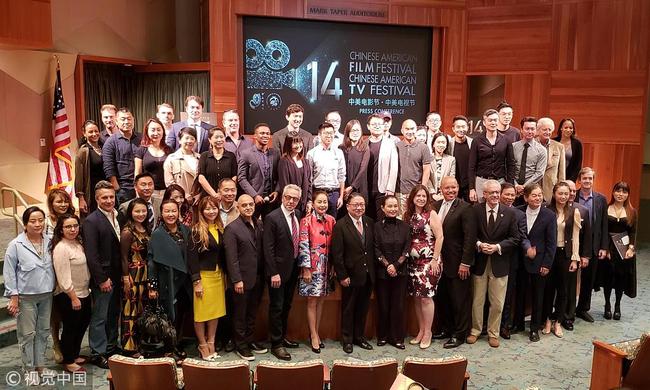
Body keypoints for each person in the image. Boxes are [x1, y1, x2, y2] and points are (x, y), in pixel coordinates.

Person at [3, 207, 56, 380]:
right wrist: (14, 297)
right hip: (26, 297)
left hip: (46, 294)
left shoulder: (50, 241)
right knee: (27, 335)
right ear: (25, 224)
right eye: (33, 221)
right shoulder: (16, 245)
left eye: (41, 220)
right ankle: (29, 370)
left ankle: (41, 367)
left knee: (43, 332)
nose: (37, 224)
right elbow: (9, 273)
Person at [467, 180, 519, 348]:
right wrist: (479, 245)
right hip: (480, 263)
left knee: (497, 302)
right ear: (485, 194)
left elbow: (515, 238)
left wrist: (497, 247)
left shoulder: (510, 213)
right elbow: (469, 235)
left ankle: (493, 333)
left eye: (497, 192)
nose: (496, 195)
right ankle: (475, 331)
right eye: (492, 192)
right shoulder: (475, 211)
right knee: (477, 300)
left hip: (500, 263)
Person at [433, 177, 476, 349]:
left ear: (458, 188)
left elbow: (470, 238)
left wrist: (465, 263)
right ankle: (446, 329)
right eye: (447, 188)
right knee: (444, 299)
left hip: (458, 263)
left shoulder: (466, 208)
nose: (450, 191)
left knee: (460, 301)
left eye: (454, 187)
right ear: (441, 189)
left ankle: (459, 334)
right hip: (441, 264)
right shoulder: (435, 206)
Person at [83, 181, 121, 369]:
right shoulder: (91, 221)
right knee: (100, 316)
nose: (108, 200)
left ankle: (111, 347)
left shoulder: (118, 215)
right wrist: (101, 279)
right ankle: (97, 352)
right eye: (104, 197)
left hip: (119, 275)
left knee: (114, 313)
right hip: (104, 278)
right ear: (97, 199)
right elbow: (92, 254)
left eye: (111, 197)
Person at [147, 199, 193, 357]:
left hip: (184, 282)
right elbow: (151, 262)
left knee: (181, 315)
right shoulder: (157, 234)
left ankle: (177, 344)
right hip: (166, 282)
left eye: (174, 211)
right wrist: (152, 286)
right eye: (167, 211)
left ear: (178, 211)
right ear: (162, 213)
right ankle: (168, 349)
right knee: (168, 316)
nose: (171, 214)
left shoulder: (186, 230)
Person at [331, 193, 375, 354]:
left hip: (368, 274)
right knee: (348, 309)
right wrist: (342, 275)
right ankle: (347, 340)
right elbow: (337, 254)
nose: (359, 207)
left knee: (363, 308)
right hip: (350, 276)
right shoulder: (341, 225)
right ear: (348, 206)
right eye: (355, 204)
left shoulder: (370, 222)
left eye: (362, 204)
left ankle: (359, 337)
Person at [224, 195, 267, 360]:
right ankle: (240, 345)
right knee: (240, 314)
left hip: (257, 277)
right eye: (244, 205)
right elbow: (231, 258)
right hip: (241, 279)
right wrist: (236, 279)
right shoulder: (232, 228)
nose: (248, 207)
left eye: (250, 204)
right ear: (238, 207)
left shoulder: (259, 224)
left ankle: (249, 340)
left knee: (252, 312)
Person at [263, 184, 303, 361]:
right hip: (277, 272)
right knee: (277, 307)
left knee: (287, 305)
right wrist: (273, 272)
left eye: (295, 198)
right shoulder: (272, 217)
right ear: (282, 197)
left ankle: (282, 337)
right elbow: (268, 248)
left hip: (293, 269)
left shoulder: (298, 215)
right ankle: (276, 344)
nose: (291, 201)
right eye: (288, 197)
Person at [513, 184, 556, 342]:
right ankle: (518, 324)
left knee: (538, 296)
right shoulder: (518, 211)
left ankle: (534, 328)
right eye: (534, 195)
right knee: (520, 293)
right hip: (520, 261)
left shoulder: (549, 215)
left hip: (540, 263)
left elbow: (551, 243)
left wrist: (546, 264)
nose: (538, 198)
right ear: (526, 197)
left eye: (540, 195)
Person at [403, 184, 444, 349]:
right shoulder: (408, 215)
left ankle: (428, 332)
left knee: (426, 297)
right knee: (417, 297)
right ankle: (420, 330)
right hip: (413, 263)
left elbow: (440, 237)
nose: (421, 198)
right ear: (412, 197)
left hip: (429, 261)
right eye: (418, 195)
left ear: (427, 198)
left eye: (423, 196)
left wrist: (435, 259)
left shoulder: (431, 214)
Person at [187, 196, 227, 360]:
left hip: (218, 275)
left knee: (215, 312)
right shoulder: (196, 230)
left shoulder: (220, 228)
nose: (211, 211)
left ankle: (212, 342)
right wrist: (197, 282)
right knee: (202, 313)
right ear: (201, 211)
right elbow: (192, 259)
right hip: (203, 278)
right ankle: (202, 344)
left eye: (214, 208)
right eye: (207, 209)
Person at [51, 214, 91, 373]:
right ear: (61, 229)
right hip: (68, 295)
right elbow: (63, 277)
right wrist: (73, 297)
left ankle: (74, 353)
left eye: (75, 225)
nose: (73, 229)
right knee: (70, 327)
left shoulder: (77, 243)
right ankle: (68, 360)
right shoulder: (61, 248)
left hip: (84, 292)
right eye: (68, 227)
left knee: (82, 324)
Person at [298, 191, 336, 353]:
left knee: (321, 300)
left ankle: (317, 332)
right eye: (319, 202)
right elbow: (304, 245)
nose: (322, 205)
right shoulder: (306, 221)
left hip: (326, 267)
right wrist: (306, 268)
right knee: (312, 301)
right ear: (313, 203)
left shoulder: (331, 220)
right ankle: (313, 335)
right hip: (312, 268)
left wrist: (334, 266)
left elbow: (335, 246)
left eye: (325, 202)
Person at [542, 181, 580, 338]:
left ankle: (558, 321)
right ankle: (547, 320)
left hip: (565, 255)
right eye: (560, 193)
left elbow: (575, 237)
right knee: (548, 289)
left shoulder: (574, 212)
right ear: (554, 194)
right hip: (549, 254)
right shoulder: (546, 210)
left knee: (563, 290)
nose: (564, 196)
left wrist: (574, 259)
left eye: (567, 193)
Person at [595, 182, 637, 320]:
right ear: (613, 193)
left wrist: (631, 248)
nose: (621, 194)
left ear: (627, 195)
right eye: (618, 191)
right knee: (608, 278)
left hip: (624, 250)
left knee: (621, 278)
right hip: (609, 249)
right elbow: (602, 230)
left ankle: (617, 306)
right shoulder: (606, 209)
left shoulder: (632, 211)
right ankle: (607, 305)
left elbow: (633, 232)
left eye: (624, 192)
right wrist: (605, 248)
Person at [373, 195, 410, 349]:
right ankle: (382, 336)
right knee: (383, 305)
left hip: (400, 273)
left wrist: (395, 266)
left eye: (395, 206)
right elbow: (375, 248)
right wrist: (388, 265)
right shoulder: (376, 227)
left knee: (398, 306)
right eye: (390, 206)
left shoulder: (405, 226)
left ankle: (397, 338)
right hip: (382, 273)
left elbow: (407, 249)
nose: (393, 209)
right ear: (383, 208)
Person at [494, 183, 527, 340]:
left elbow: (520, 237)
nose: (509, 197)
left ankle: (504, 325)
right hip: (490, 259)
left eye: (512, 195)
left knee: (507, 295)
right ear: (500, 194)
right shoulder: (490, 209)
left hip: (510, 260)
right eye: (506, 194)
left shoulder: (519, 214)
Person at [575, 167, 608, 323]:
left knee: (588, 279)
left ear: (593, 180)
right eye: (584, 178)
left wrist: (603, 246)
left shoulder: (601, 199)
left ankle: (582, 309)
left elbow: (604, 225)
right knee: (570, 278)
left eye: (590, 178)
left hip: (593, 244)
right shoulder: (572, 196)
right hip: (574, 242)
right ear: (579, 180)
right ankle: (566, 308)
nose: (587, 181)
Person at [119, 198, 151, 355]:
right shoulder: (127, 232)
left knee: (141, 310)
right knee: (130, 311)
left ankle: (139, 343)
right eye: (137, 211)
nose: (141, 214)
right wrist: (125, 277)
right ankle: (129, 347)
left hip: (144, 274)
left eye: (143, 211)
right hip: (132, 274)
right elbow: (123, 257)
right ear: (130, 212)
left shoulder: (146, 228)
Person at [468, 109, 516, 203]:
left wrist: (510, 185)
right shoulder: (477, 141)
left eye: (495, 120)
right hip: (481, 181)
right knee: (480, 210)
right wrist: (471, 188)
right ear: (484, 123)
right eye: (490, 120)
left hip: (500, 181)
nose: (493, 122)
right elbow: (471, 166)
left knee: (500, 210)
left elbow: (511, 164)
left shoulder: (506, 140)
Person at [562, 179, 592, 330]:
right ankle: (555, 314)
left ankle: (568, 317)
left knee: (571, 286)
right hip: (557, 253)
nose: (572, 194)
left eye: (574, 191)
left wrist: (585, 256)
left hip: (573, 255)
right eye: (569, 191)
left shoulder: (583, 210)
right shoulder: (551, 208)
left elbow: (587, 236)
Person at [238, 123, 280, 219]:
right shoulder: (246, 154)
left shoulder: (275, 153)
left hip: (271, 199)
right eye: (262, 133)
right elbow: (241, 178)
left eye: (267, 133)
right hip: (253, 199)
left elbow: (279, 176)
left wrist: (277, 191)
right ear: (255, 136)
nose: (265, 135)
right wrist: (254, 195)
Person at [103, 107, 143, 204]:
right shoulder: (110, 142)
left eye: (129, 119)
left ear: (133, 120)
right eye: (123, 119)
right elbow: (109, 169)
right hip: (123, 189)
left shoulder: (142, 138)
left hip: (142, 187)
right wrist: (117, 189)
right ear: (116, 121)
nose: (126, 122)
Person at [307, 122, 346, 217]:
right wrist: (310, 199)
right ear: (319, 135)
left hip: (333, 194)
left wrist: (341, 197)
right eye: (326, 133)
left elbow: (342, 176)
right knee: (316, 223)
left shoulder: (339, 153)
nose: (329, 136)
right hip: (317, 192)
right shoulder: (312, 153)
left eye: (331, 133)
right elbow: (308, 178)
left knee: (332, 224)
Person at [396, 119, 432, 214]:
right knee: (402, 218)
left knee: (416, 218)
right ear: (402, 130)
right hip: (400, 192)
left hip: (416, 191)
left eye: (412, 128)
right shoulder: (396, 146)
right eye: (407, 129)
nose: (409, 131)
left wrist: (422, 189)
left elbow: (427, 170)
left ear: (416, 130)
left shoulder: (423, 147)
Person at [366, 113, 398, 219]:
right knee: (368, 220)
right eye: (374, 124)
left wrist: (390, 188)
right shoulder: (363, 143)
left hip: (383, 189)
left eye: (379, 124)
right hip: (366, 189)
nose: (377, 126)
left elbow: (394, 167)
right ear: (368, 126)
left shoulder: (390, 144)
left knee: (382, 220)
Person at [512, 117, 547, 202]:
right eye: (527, 129)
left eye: (532, 129)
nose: (530, 131)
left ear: (536, 131)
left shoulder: (541, 150)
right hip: (512, 189)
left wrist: (524, 187)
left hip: (531, 190)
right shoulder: (513, 147)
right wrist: (516, 185)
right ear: (521, 130)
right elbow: (508, 169)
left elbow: (539, 173)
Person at [75, 120, 106, 216]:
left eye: (96, 131)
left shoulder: (104, 148)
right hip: (91, 192)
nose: (94, 134)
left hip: (105, 190)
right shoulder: (83, 151)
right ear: (84, 133)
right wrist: (81, 198)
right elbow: (79, 177)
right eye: (90, 132)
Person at [197, 127, 238, 199]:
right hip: (208, 197)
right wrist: (214, 194)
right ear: (210, 140)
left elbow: (234, 176)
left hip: (227, 197)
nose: (219, 140)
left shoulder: (231, 156)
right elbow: (201, 177)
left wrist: (224, 193)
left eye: (221, 137)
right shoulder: (204, 156)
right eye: (216, 137)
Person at [135, 118, 171, 198]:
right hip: (148, 192)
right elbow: (137, 173)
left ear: (163, 131)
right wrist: (138, 192)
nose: (156, 133)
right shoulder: (141, 150)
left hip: (167, 191)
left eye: (159, 130)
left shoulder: (169, 150)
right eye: (153, 130)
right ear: (147, 132)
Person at [164, 127, 201, 205]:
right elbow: (169, 183)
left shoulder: (200, 158)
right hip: (179, 202)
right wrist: (183, 195)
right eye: (186, 138)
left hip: (197, 202)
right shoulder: (172, 159)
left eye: (192, 138)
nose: (189, 141)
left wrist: (200, 195)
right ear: (179, 140)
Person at [277, 135, 312, 214]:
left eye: (300, 142)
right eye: (295, 143)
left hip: (304, 203)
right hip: (291, 203)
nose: (298, 145)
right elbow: (284, 185)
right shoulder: (284, 161)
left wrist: (309, 201)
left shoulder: (305, 161)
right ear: (289, 144)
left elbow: (309, 182)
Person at [339, 119, 370, 202]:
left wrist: (352, 187)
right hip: (344, 188)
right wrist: (345, 188)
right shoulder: (341, 148)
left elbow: (363, 170)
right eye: (353, 130)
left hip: (360, 187)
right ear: (348, 132)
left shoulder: (365, 148)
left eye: (357, 130)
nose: (355, 133)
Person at [537, 117, 566, 202]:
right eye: (544, 130)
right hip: (535, 188)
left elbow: (561, 172)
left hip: (551, 189)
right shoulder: (532, 144)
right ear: (538, 130)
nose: (548, 132)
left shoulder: (559, 147)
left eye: (550, 130)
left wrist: (561, 189)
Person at [447, 115, 473, 201]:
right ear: (453, 129)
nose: (461, 129)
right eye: (458, 127)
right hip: (453, 184)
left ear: (468, 127)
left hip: (469, 184)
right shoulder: (448, 144)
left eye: (463, 126)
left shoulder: (473, 143)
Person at [427, 132, 455, 201]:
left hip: (446, 194)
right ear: (433, 144)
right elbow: (427, 178)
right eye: (438, 142)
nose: (441, 145)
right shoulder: (428, 158)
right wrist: (433, 194)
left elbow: (451, 177)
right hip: (430, 195)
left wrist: (443, 192)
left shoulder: (451, 159)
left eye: (443, 142)